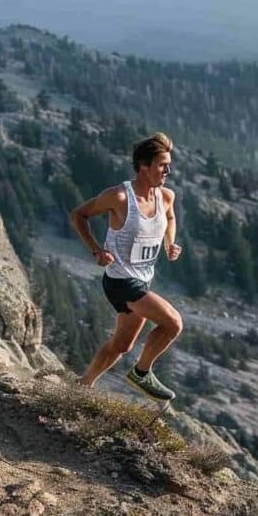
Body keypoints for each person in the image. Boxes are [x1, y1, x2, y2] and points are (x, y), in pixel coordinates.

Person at [69, 132, 182, 399]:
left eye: (168, 164)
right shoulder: (119, 197)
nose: (168, 170)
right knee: (173, 324)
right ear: (144, 166)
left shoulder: (166, 196)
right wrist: (96, 249)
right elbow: (78, 215)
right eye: (162, 165)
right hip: (120, 281)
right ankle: (141, 374)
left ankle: (82, 386)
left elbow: (170, 217)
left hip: (142, 280)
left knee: (120, 345)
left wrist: (170, 244)